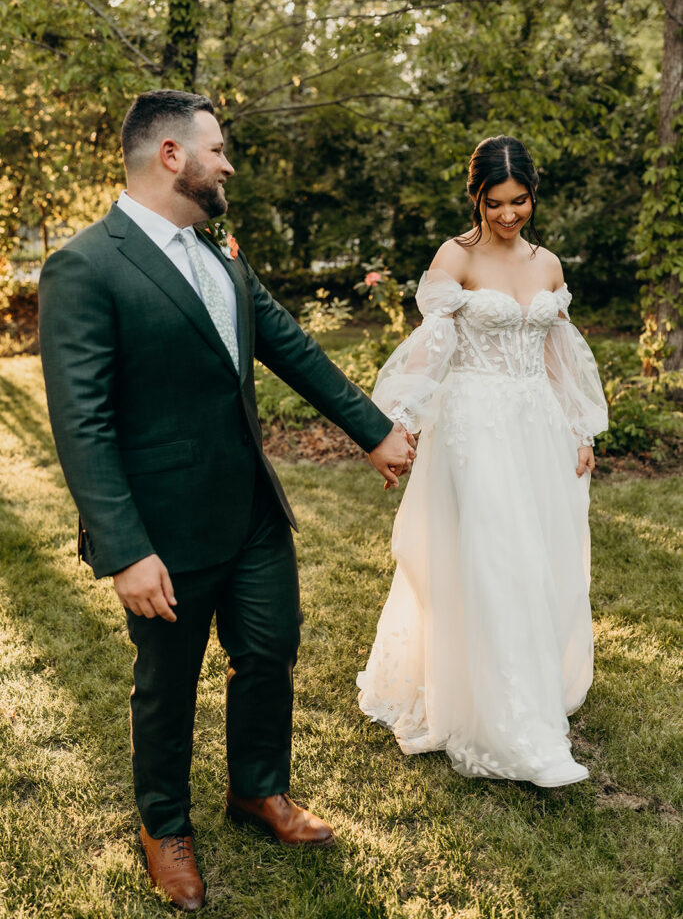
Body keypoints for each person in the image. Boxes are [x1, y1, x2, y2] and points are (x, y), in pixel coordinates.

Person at [39, 89, 415, 911]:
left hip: (250, 512)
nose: (227, 164)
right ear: (171, 155)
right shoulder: (85, 265)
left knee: (270, 652)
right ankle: (164, 827)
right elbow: (82, 422)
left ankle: (257, 791)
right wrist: (125, 548)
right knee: (166, 687)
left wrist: (373, 429)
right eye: (217, 149)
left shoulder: (218, 251)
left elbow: (285, 341)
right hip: (161, 535)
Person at [357, 135, 608, 788]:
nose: (506, 215)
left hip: (537, 432)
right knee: (494, 559)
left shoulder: (548, 265)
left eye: (517, 201)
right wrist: (400, 425)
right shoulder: (454, 257)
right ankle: (514, 730)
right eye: (494, 203)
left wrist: (581, 429)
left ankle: (527, 688)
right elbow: (428, 351)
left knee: (537, 560)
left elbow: (560, 358)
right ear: (476, 198)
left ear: (532, 195)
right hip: (473, 426)